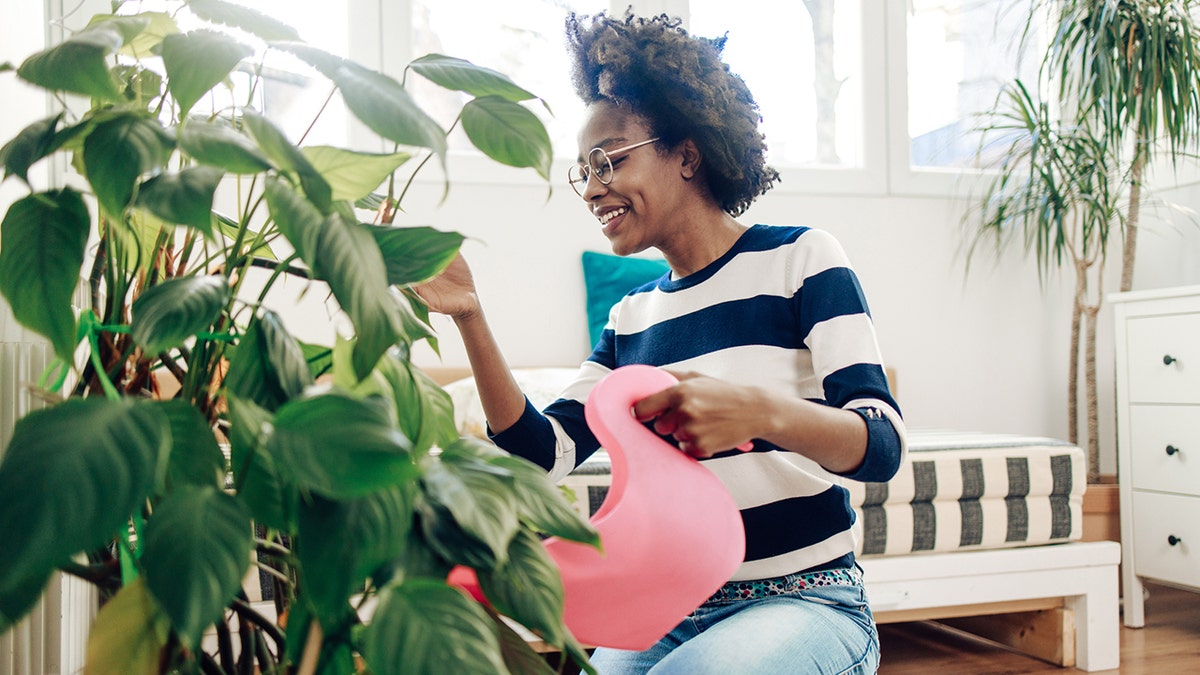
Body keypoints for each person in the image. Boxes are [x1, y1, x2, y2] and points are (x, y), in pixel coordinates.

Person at [416, 10, 905, 674]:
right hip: (668, 604)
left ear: (687, 153)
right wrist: (471, 317)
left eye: (609, 160)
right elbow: (544, 452)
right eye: (583, 170)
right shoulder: (630, 316)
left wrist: (760, 412)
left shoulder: (803, 259)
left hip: (810, 599)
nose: (592, 188)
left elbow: (881, 442)